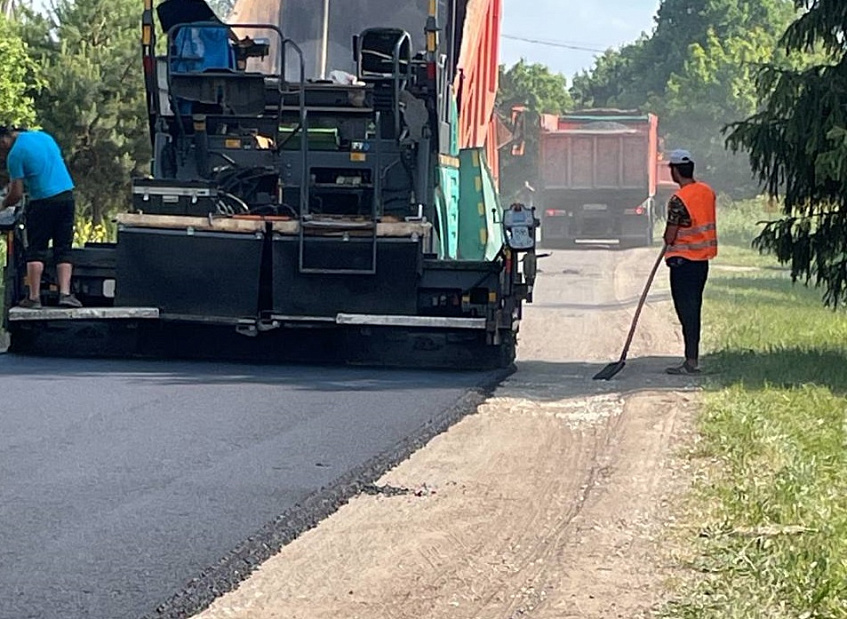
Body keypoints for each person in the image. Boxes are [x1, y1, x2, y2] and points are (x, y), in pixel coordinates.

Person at [0, 126, 82, 309]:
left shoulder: (15, 155)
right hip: (66, 196)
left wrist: (3, 204)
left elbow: (16, 194)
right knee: (63, 247)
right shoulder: (44, 137)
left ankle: (34, 297)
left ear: (3, 141)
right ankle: (65, 294)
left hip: (43, 201)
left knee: (37, 248)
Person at [662, 149, 717, 375]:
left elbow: (669, 236)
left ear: (675, 171)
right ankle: (692, 358)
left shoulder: (678, 200)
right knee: (695, 308)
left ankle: (690, 361)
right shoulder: (707, 192)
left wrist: (667, 240)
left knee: (686, 311)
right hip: (701, 261)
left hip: (681, 262)